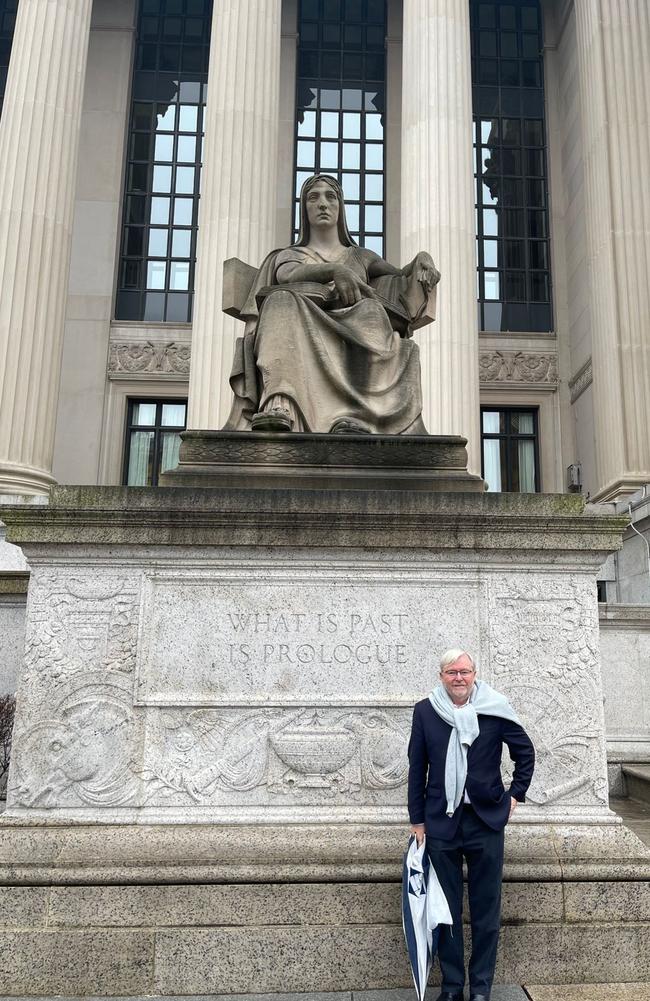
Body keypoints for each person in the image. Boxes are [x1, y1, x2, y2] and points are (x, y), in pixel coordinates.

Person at [223, 173, 440, 435]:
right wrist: (334, 271)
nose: (323, 204)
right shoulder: (288, 255)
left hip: (355, 328)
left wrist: (423, 259)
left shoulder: (361, 256)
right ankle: (280, 403)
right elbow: (288, 275)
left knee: (371, 311)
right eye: (313, 198)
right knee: (280, 301)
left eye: (331, 197)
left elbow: (401, 275)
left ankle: (355, 417)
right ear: (304, 209)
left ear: (340, 208)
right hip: (301, 321)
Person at [407, 649, 535, 1001]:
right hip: (440, 823)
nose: (459, 678)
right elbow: (417, 768)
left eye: (465, 671)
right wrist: (416, 820)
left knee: (486, 910)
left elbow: (525, 753)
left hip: (486, 821)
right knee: (445, 910)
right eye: (452, 672)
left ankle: (480, 989)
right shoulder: (426, 711)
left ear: (474, 674)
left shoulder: (494, 708)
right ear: (442, 676)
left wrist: (514, 796)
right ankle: (452, 988)